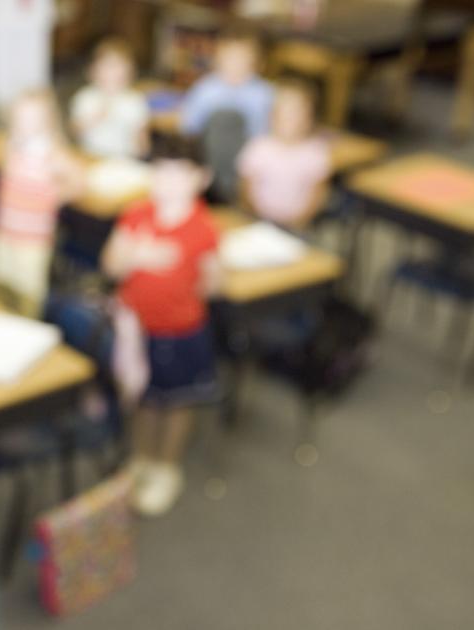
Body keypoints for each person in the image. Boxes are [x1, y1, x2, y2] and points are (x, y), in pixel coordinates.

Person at [101, 135, 221, 516]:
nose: (167, 182)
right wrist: (135, 256)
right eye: (161, 172)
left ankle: (167, 466)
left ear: (201, 178)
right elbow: (110, 265)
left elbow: (213, 282)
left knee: (177, 403)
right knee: (144, 398)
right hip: (138, 333)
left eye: (179, 174)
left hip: (182, 333)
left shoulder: (204, 228)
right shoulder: (136, 215)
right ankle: (141, 458)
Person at [0, 89, 83, 317]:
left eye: (31, 119)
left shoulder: (52, 154)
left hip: (33, 241)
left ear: (47, 122)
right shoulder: (11, 145)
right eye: (20, 118)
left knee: (27, 296)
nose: (24, 124)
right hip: (3, 233)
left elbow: (79, 181)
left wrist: (54, 196)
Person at [237, 79, 332, 229]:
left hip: (298, 226)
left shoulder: (316, 152)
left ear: (309, 118)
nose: (289, 119)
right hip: (259, 222)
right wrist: (257, 217)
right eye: (284, 113)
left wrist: (300, 221)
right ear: (272, 117)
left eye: (296, 113)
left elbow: (318, 193)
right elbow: (245, 189)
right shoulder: (258, 147)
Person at [179, 27, 274, 139]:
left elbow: (271, 129)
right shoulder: (205, 89)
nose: (235, 64)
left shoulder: (264, 93)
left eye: (241, 58)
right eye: (229, 58)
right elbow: (189, 126)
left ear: (254, 61)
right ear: (218, 60)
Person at [70, 38, 150, 159]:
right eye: (107, 67)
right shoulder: (86, 97)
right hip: (90, 155)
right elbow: (74, 131)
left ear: (129, 74)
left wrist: (141, 146)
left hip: (124, 157)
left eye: (119, 67)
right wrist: (93, 118)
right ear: (93, 71)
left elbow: (142, 139)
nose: (112, 73)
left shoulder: (134, 100)